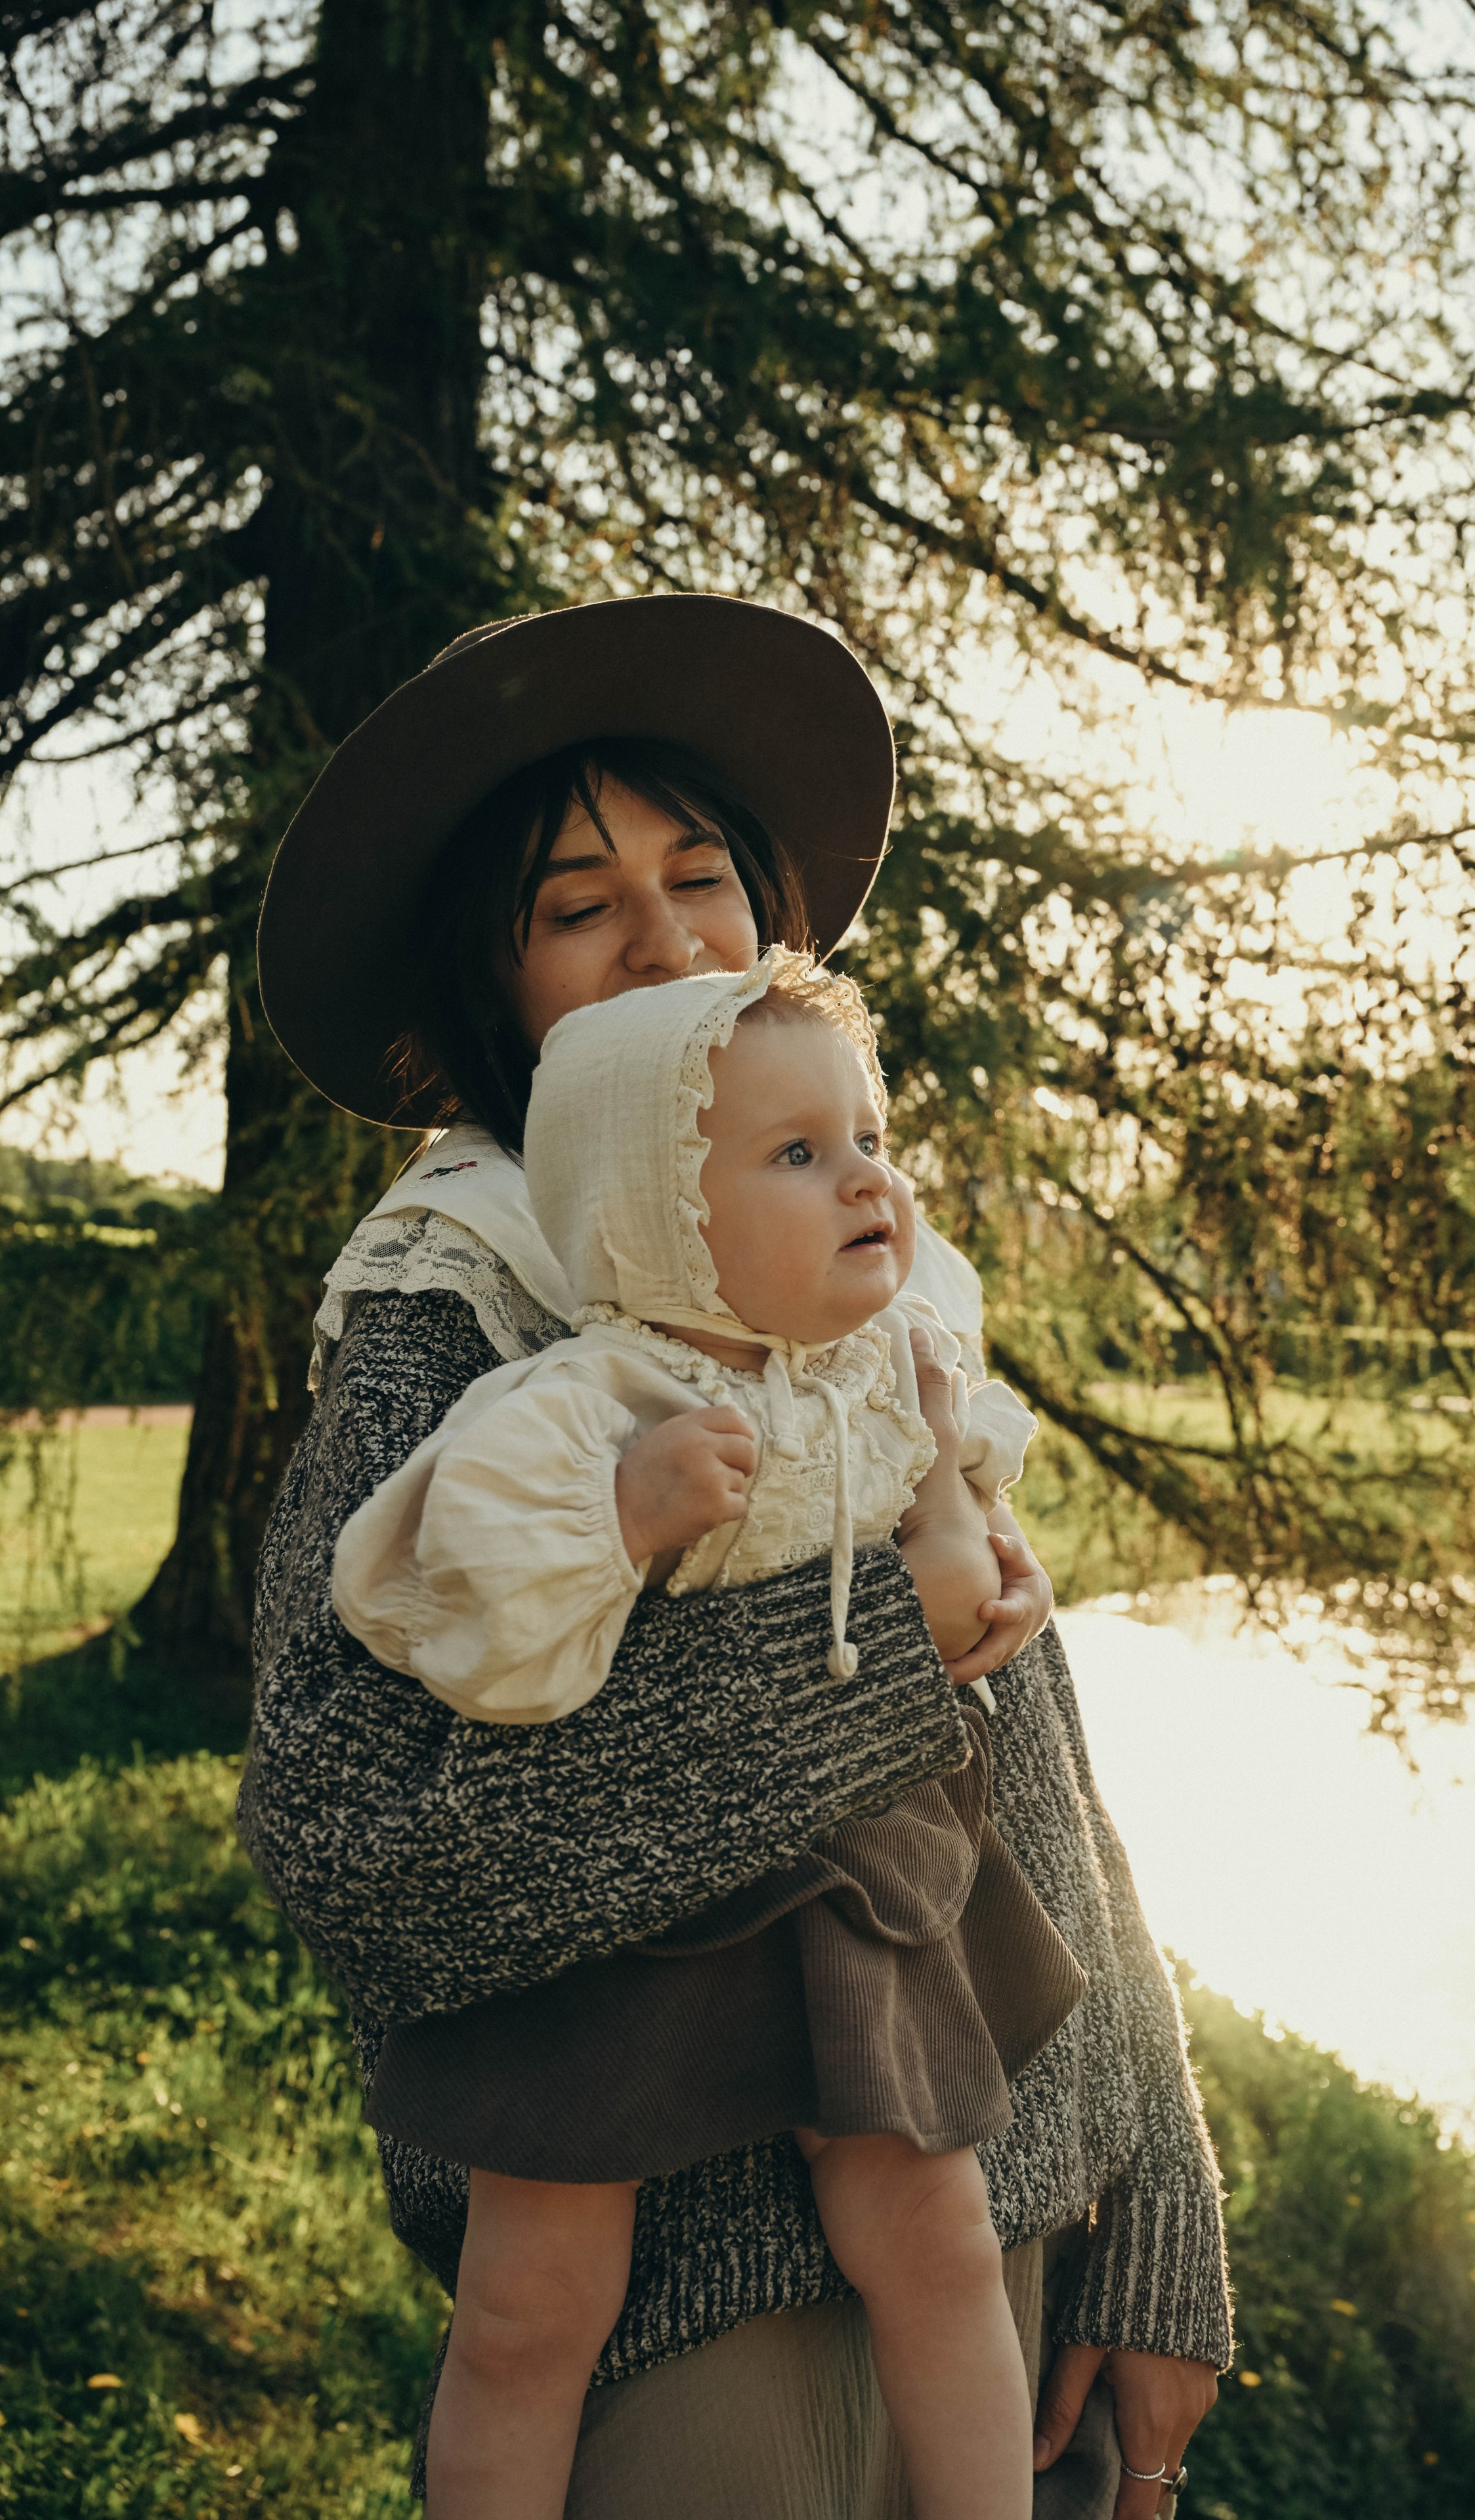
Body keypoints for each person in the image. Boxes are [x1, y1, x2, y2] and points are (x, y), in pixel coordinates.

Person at [240, 594, 1229, 2519]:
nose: (666, 934)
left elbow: (1041, 1767)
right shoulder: (454, 1308)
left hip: (998, 2225)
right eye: (576, 905)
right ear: (496, 989)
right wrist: (849, 1661)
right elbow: (356, 1853)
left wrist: (1161, 2201)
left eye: (699, 875)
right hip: (685, 2311)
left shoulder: (870, 1275)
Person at [332, 949, 1088, 2519]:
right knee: (533, 2305)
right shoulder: (587, 1392)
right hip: (623, 1898)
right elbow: (471, 1613)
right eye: (797, 1156)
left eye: (866, 1138)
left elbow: (960, 1496)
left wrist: (981, 1542)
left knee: (933, 2238)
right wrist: (623, 1513)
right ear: (660, 1218)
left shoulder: (894, 1361)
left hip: (858, 1863)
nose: (865, 1180)